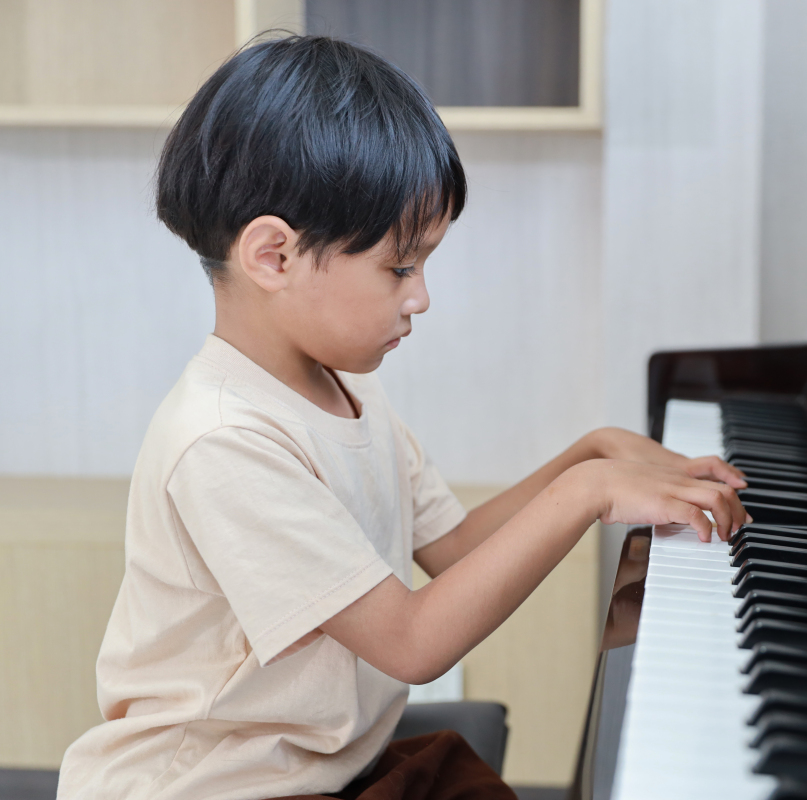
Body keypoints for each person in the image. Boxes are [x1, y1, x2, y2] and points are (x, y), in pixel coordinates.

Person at [56, 36, 748, 800]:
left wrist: (588, 457)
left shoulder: (342, 388)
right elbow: (412, 643)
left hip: (324, 763)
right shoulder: (225, 440)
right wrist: (587, 496)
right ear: (274, 257)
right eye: (401, 266)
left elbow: (450, 550)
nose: (420, 298)